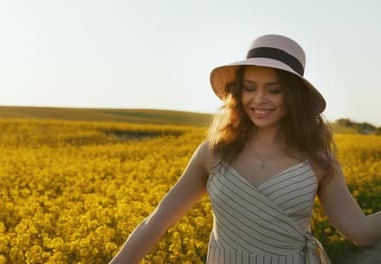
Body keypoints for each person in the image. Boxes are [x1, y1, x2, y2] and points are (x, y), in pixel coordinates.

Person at [109, 34, 381, 264]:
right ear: (238, 93)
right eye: (249, 88)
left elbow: (361, 231)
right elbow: (157, 221)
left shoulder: (319, 162)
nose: (259, 99)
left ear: (294, 96)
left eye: (274, 90)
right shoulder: (213, 153)